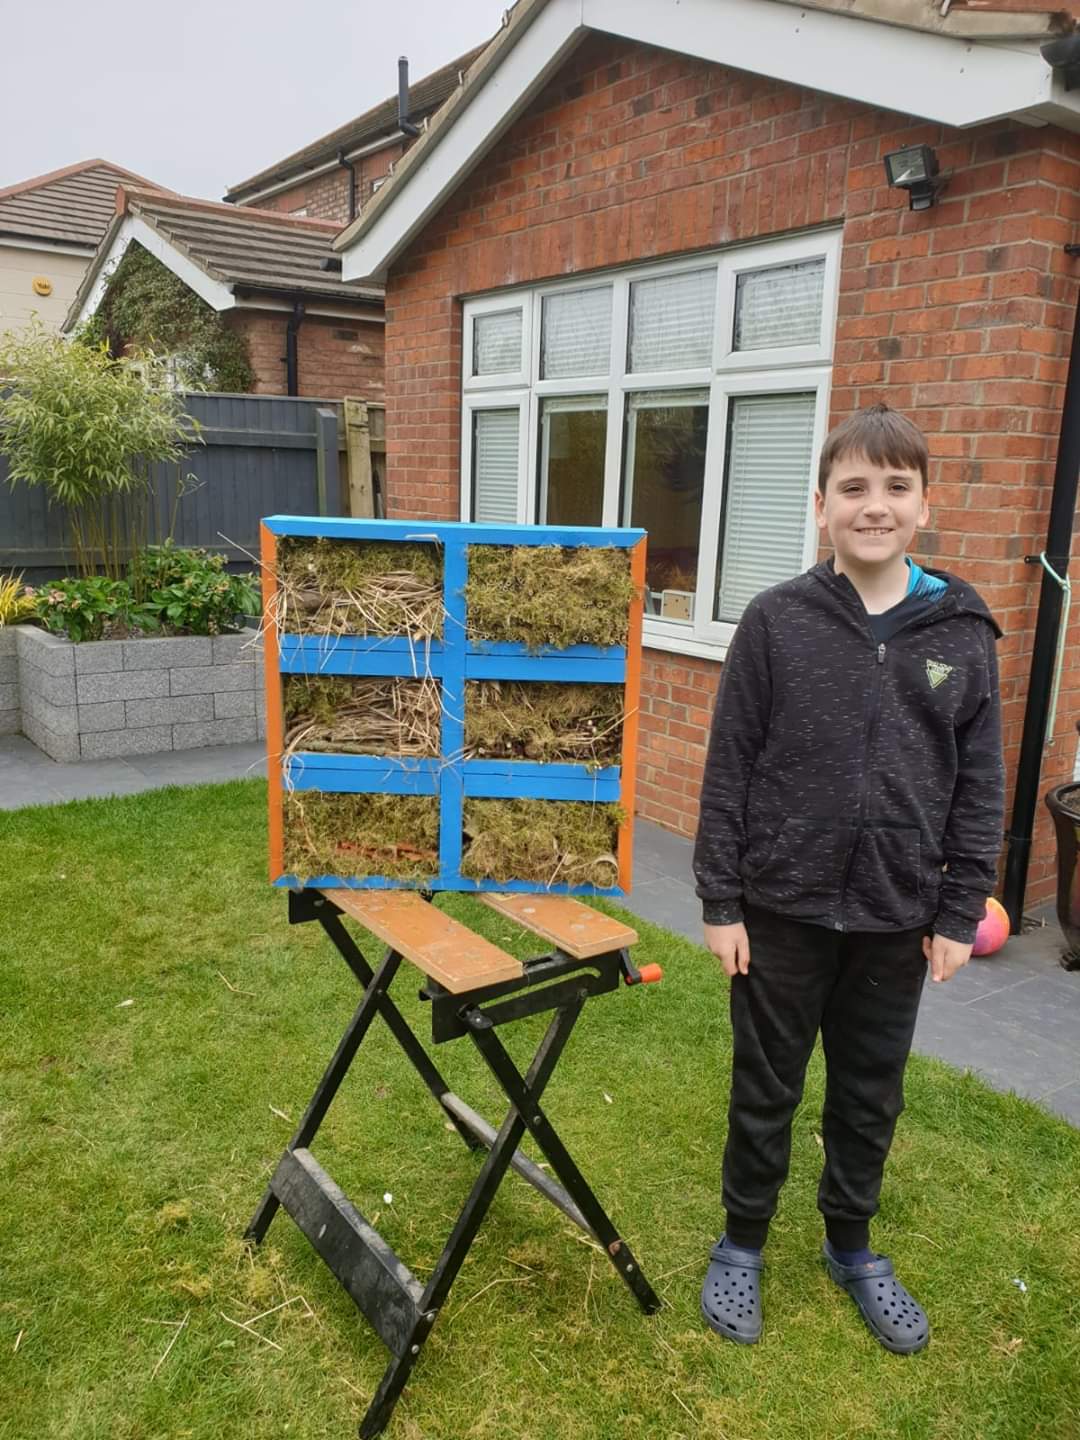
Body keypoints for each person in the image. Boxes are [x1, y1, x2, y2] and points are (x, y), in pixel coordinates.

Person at [693, 403, 1004, 1354]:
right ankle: (743, 1240)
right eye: (854, 487)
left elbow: (979, 787)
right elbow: (730, 764)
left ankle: (851, 1245)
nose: (876, 505)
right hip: (779, 910)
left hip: (895, 916)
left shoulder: (962, 633)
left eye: (896, 487)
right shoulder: (776, 621)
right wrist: (720, 900)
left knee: (869, 1093)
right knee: (767, 1086)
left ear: (925, 505)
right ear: (821, 505)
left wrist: (959, 910)